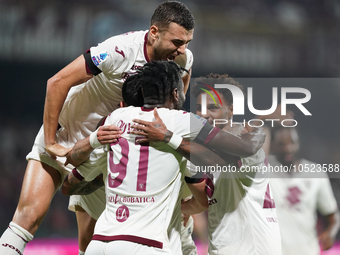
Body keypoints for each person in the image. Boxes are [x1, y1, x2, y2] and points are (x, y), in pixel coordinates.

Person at [0, 2, 195, 255]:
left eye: (187, 42)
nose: (182, 49)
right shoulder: (119, 50)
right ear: (154, 32)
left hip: (107, 144)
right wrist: (50, 142)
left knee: (93, 241)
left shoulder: (182, 59)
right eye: (177, 41)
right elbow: (57, 83)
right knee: (28, 217)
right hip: (68, 133)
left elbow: (179, 90)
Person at [61, 61, 265, 254]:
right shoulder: (181, 122)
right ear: (176, 93)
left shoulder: (115, 119)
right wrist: (171, 138)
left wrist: (102, 172)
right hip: (145, 244)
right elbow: (224, 163)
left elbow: (67, 187)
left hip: (101, 242)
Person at [133, 74, 282, 255]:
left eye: (212, 107)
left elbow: (216, 162)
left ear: (231, 110)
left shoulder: (245, 144)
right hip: (222, 247)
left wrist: (168, 137)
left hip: (253, 248)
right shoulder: (197, 152)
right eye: (199, 108)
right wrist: (178, 209)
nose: (204, 114)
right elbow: (205, 202)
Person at [268, 126, 340, 255]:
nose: (288, 148)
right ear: (272, 146)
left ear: (299, 144)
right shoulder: (263, 172)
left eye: (292, 143)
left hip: (307, 251)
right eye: (281, 144)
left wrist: (331, 232)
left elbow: (333, 215)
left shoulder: (315, 173)